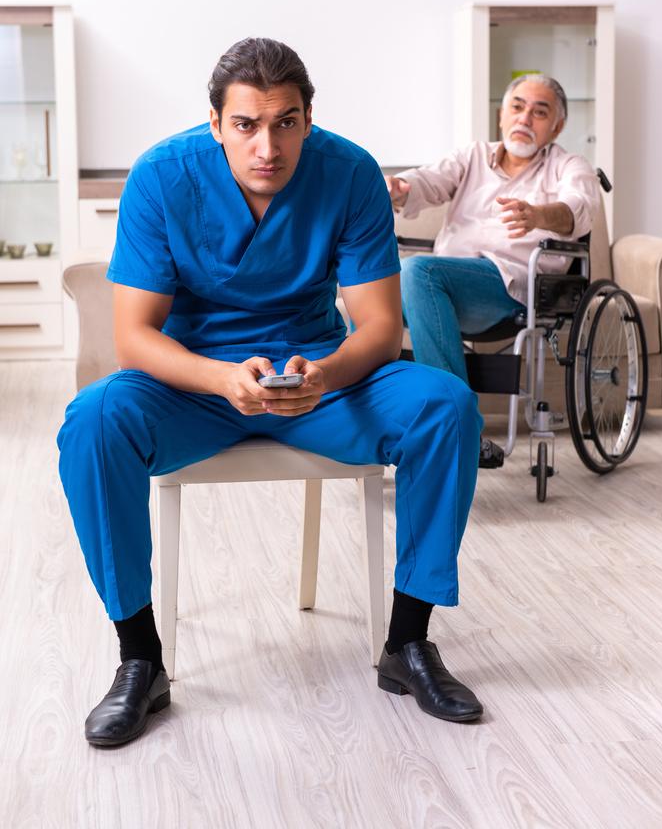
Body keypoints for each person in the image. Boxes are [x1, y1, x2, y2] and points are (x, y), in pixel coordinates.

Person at [57, 37, 485, 747]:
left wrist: (323, 375)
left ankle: (408, 645)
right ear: (217, 123)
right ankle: (141, 658)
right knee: (94, 419)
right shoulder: (163, 176)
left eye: (285, 122)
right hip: (197, 384)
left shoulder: (349, 175)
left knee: (445, 406)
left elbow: (379, 328)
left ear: (308, 120)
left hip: (318, 380)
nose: (267, 146)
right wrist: (224, 379)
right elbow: (134, 336)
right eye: (247, 125)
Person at [387, 74, 600, 468]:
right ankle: (378, 423)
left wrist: (539, 214)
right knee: (364, 293)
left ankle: (456, 426)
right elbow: (429, 180)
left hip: (507, 286)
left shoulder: (568, 166)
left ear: (557, 126)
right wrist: (402, 187)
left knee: (418, 272)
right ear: (502, 114)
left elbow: (579, 208)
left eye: (540, 111)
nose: (525, 118)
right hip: (441, 284)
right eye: (517, 107)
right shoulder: (472, 157)